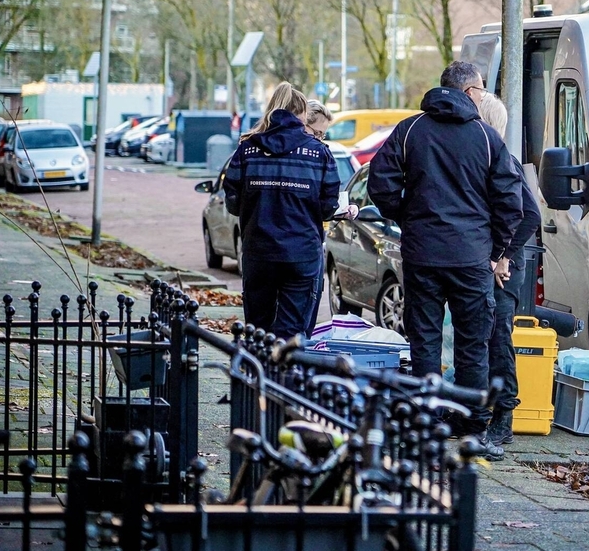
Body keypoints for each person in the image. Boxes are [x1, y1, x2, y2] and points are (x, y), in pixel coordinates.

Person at [367, 61, 523, 460]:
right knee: (474, 343)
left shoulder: (410, 130)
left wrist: (407, 216)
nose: (484, 96)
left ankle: (427, 420)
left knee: (425, 340)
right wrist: (494, 249)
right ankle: (474, 425)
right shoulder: (485, 137)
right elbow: (511, 201)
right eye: (482, 89)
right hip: (471, 258)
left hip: (422, 254)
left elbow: (379, 184)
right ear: (469, 92)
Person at [224, 83, 341, 339]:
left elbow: (232, 200)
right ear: (302, 115)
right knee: (292, 334)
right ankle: (285, 364)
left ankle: (258, 365)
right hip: (301, 253)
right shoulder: (319, 153)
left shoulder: (247, 149)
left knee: (258, 330)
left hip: (259, 251)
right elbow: (328, 206)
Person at [475, 93, 542, 446]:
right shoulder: (488, 158)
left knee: (499, 341)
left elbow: (530, 215)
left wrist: (503, 256)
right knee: (486, 341)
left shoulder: (505, 161)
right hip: (490, 264)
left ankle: (504, 416)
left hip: (503, 270)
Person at [303, 99, 358, 335]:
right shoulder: (318, 157)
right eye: (316, 133)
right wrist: (334, 209)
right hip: (305, 248)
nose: (319, 140)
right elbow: (324, 205)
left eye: (323, 135)